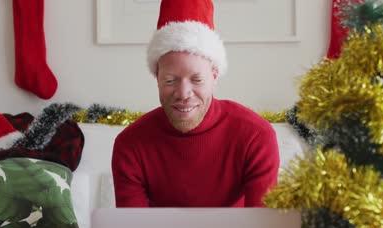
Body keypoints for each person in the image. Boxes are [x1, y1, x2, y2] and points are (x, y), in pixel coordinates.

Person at [111, 0, 280, 207]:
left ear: (214, 76)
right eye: (170, 80)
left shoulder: (255, 136)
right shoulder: (130, 145)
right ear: (157, 78)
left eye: (197, 79)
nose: (183, 94)